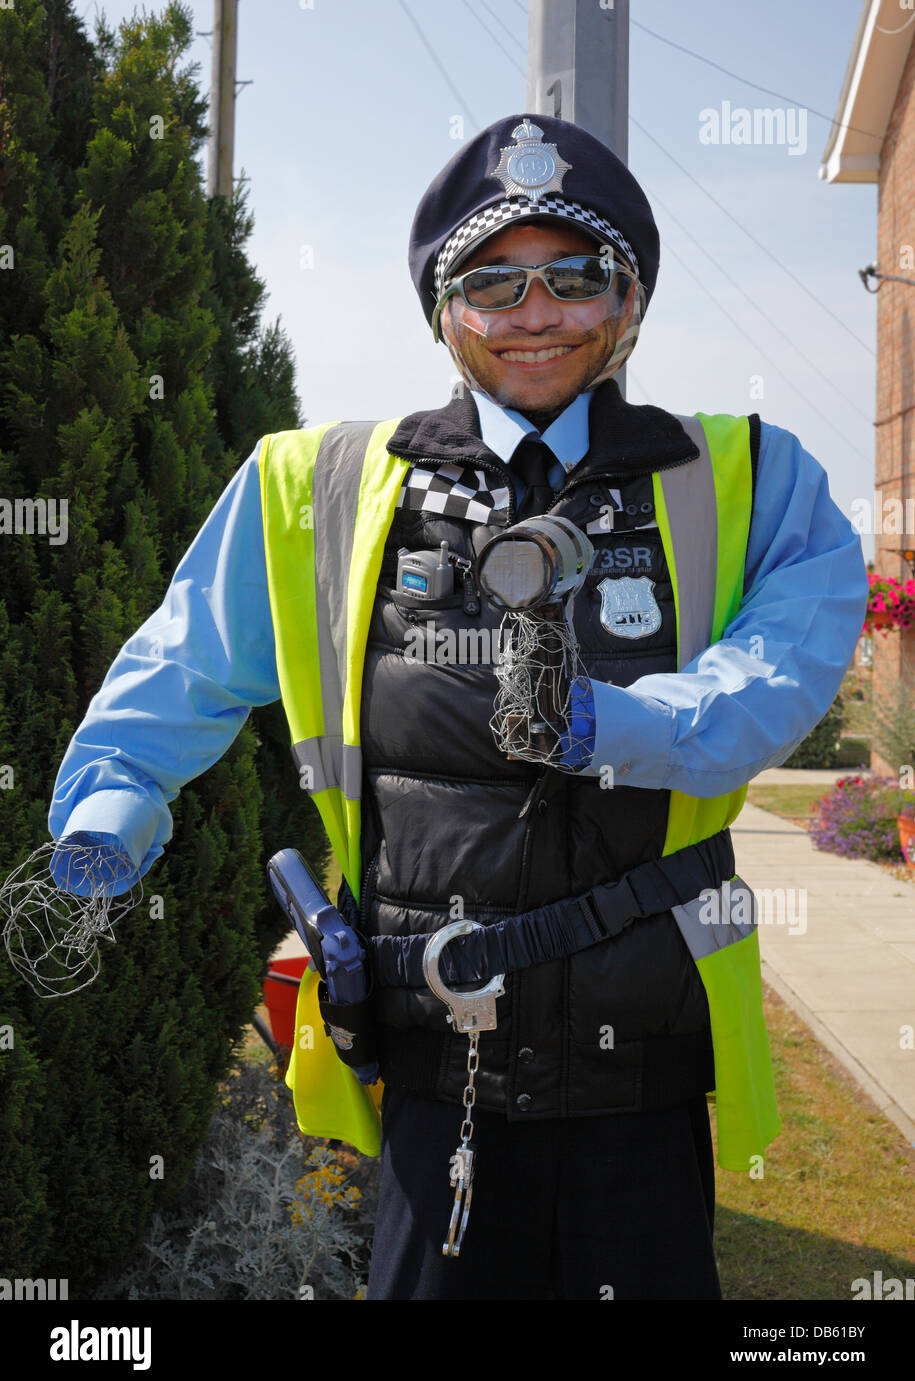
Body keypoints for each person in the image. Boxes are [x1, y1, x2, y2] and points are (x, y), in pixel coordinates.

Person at [48, 113, 869, 1301]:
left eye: (574, 277)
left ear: (627, 301)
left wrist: (614, 726)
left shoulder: (749, 473)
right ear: (446, 311)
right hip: (432, 1061)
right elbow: (183, 661)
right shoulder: (315, 480)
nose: (535, 312)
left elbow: (788, 662)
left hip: (641, 1066)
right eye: (493, 282)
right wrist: (111, 800)